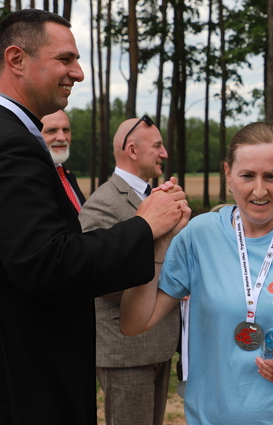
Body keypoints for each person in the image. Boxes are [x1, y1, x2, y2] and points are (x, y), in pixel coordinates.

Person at [0, 8, 191, 425]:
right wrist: (144, 226)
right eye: (66, 59)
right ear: (16, 59)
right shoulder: (11, 145)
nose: (79, 73)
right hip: (14, 377)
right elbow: (48, 263)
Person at [120, 122, 273, 425]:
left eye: (272, 176)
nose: (259, 190)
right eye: (247, 176)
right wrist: (154, 248)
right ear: (228, 174)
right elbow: (134, 323)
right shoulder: (199, 235)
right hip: (211, 418)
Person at [80, 117, 181, 425]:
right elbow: (95, 275)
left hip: (158, 342)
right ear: (133, 151)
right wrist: (168, 289)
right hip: (126, 352)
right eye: (157, 146)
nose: (164, 153)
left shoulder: (155, 198)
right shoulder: (103, 204)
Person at [41, 109, 86, 209]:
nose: (62, 137)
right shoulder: (32, 177)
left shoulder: (68, 175)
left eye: (66, 130)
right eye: (51, 131)